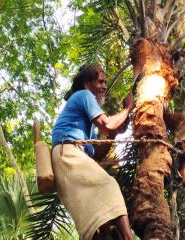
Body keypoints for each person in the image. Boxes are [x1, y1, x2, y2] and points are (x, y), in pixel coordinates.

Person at [51, 64, 134, 240]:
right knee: (110, 186)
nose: (105, 87)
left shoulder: (86, 125)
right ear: (88, 82)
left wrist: (114, 134)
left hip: (66, 160)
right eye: (101, 81)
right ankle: (129, 238)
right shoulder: (84, 95)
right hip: (67, 155)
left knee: (95, 227)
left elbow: (96, 153)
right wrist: (128, 109)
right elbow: (107, 124)